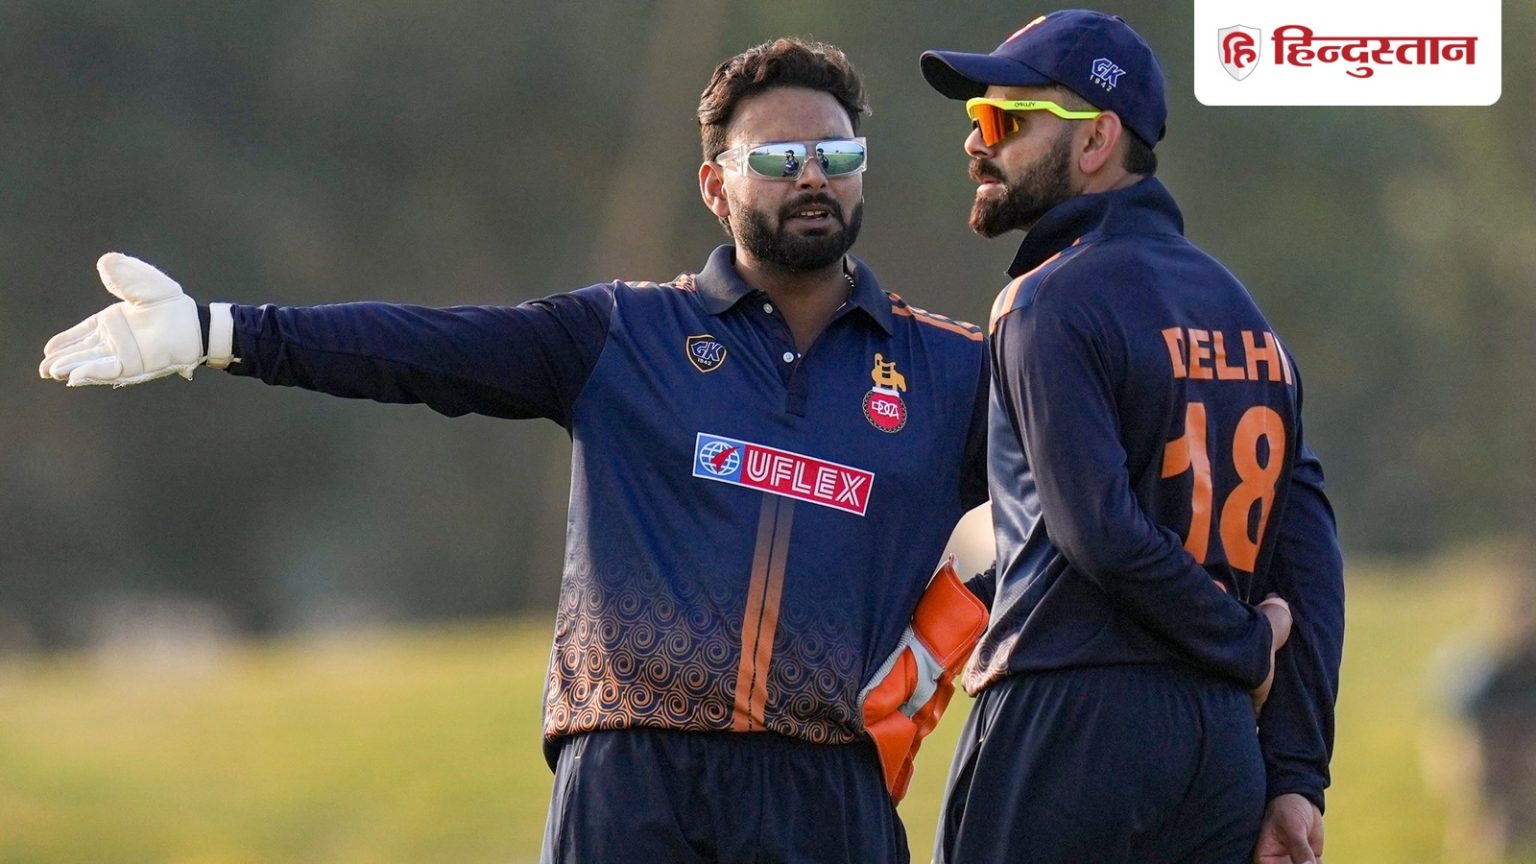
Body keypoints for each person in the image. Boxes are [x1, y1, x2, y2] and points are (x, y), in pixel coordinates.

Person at [39, 38, 990, 864]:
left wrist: (952, 630)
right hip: (631, 776)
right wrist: (220, 332)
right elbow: (421, 351)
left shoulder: (951, 370)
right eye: (779, 157)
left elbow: (1064, 510)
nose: (814, 176)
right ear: (715, 185)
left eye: (837, 153)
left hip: (827, 786)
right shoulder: (625, 333)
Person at [918, 11, 1345, 864]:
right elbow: (1309, 556)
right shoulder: (1250, 321)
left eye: (1004, 120)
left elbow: (1100, 534)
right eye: (976, 118)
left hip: (1066, 722)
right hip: (1219, 748)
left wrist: (1246, 644)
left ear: (1095, 140)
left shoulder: (1046, 300)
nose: (976, 142)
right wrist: (1296, 773)